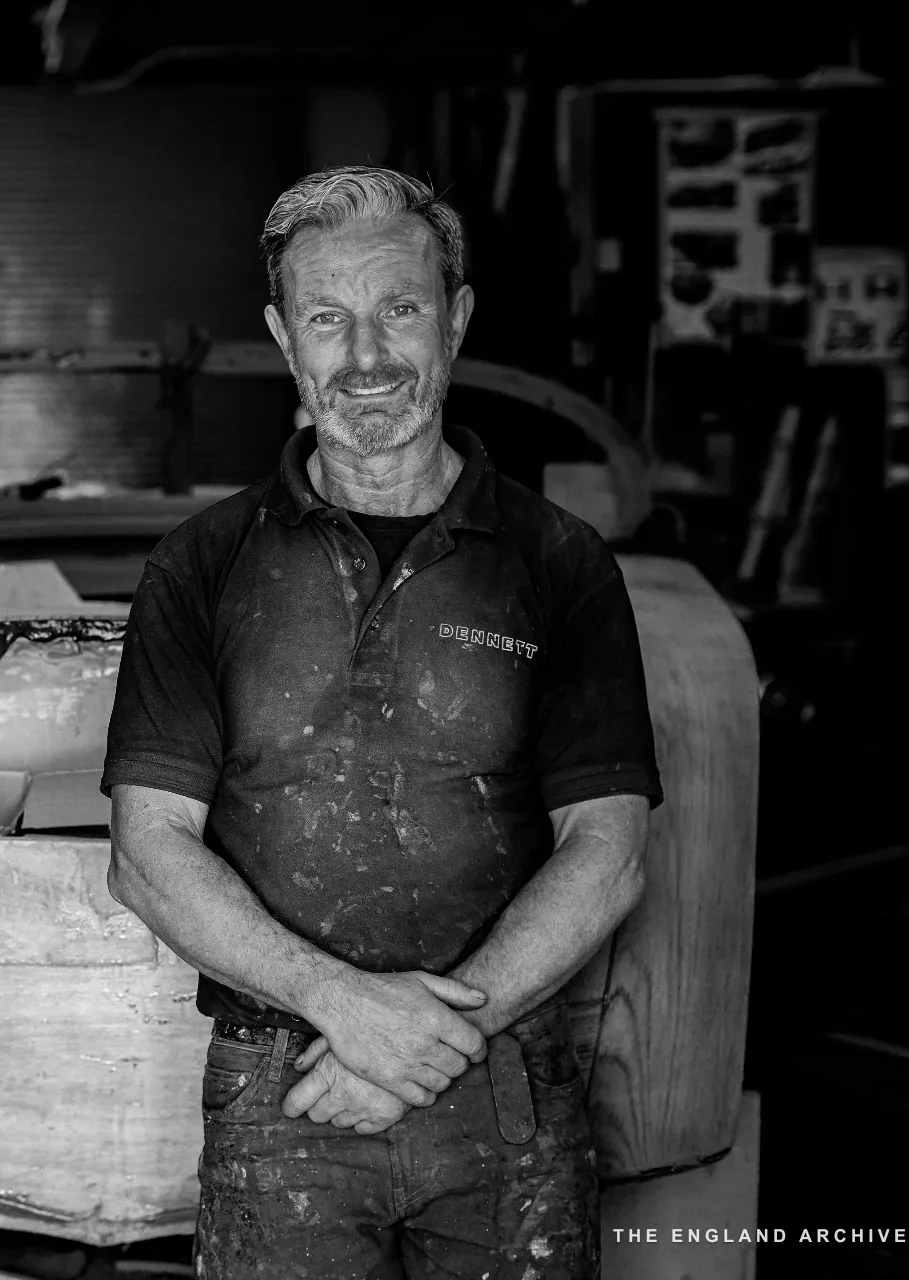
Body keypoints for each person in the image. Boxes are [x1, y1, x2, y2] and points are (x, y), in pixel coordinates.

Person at [102, 167, 661, 1279]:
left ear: (454, 319)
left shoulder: (560, 563)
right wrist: (341, 1007)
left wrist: (424, 1040)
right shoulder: (203, 566)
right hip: (284, 1088)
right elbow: (146, 852)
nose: (365, 356)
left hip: (506, 1091)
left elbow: (610, 853)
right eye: (326, 318)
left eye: (399, 308)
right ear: (282, 338)